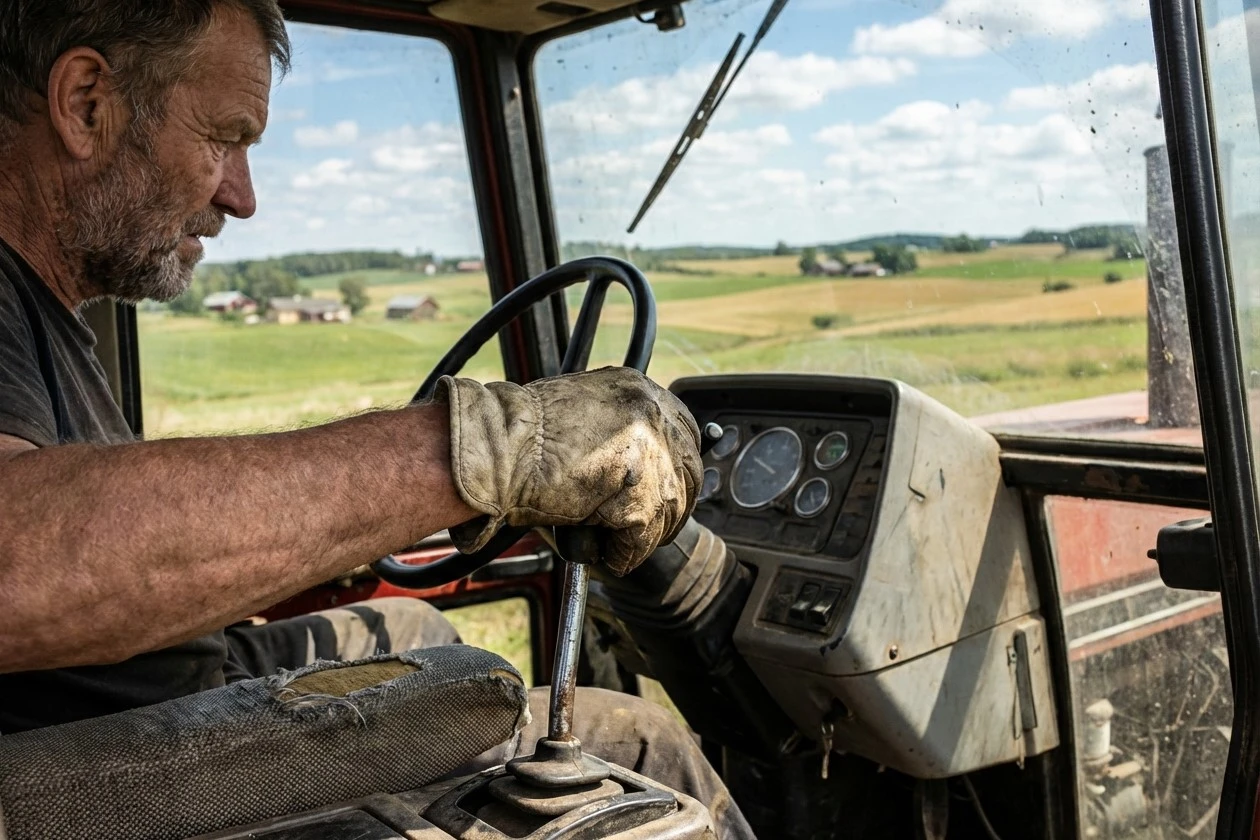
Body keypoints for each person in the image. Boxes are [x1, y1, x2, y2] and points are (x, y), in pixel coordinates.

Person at [0, 1, 754, 837]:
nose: (240, 197)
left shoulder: (45, 311)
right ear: (86, 104)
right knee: (641, 744)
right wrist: (493, 448)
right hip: (90, 777)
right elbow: (17, 558)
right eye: (224, 137)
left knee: (416, 628)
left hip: (139, 701)